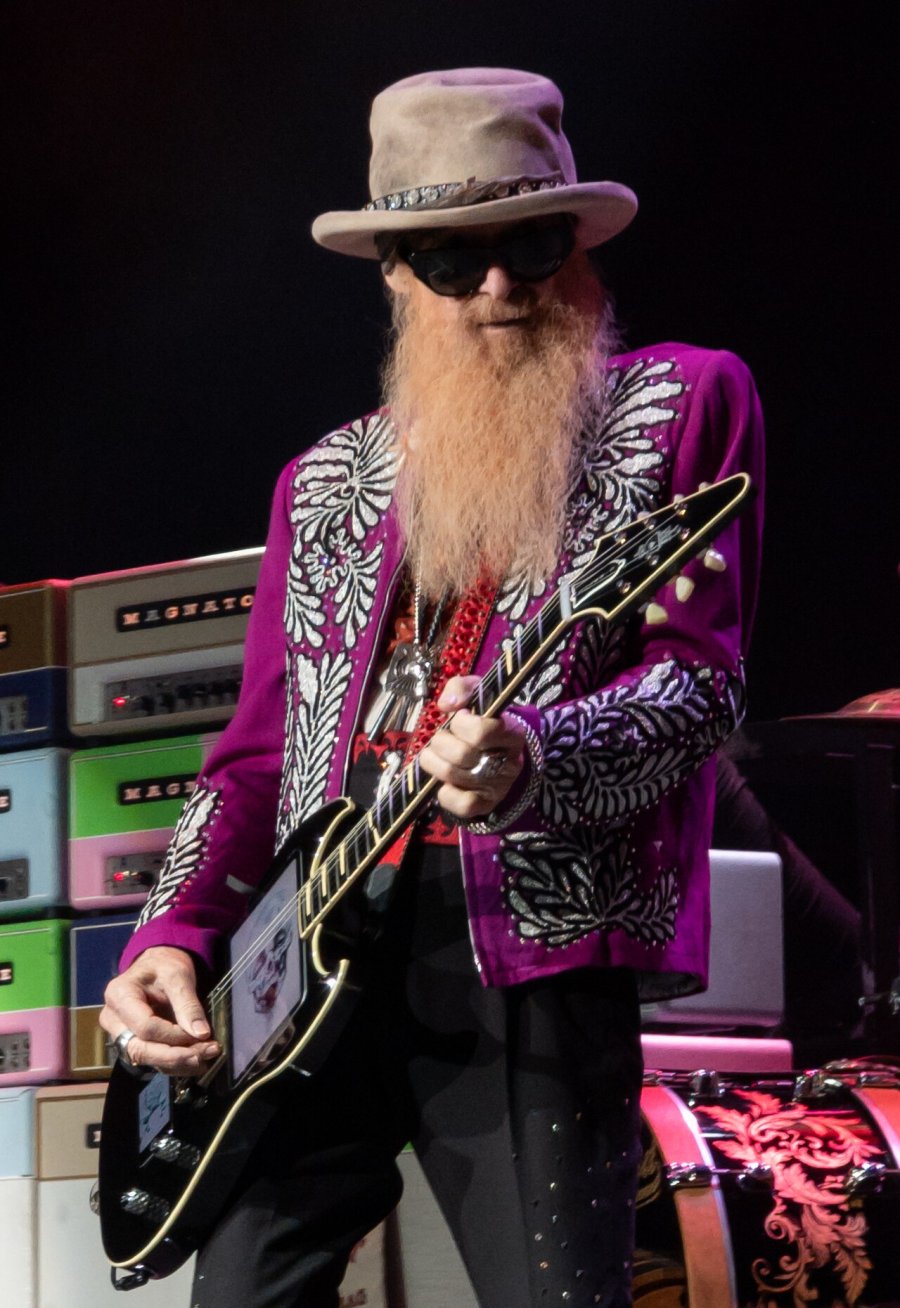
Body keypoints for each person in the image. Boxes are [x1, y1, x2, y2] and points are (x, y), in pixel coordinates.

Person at [100, 67, 765, 1308]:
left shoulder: (678, 402)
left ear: (576, 245)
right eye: (455, 261)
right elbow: (256, 758)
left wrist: (533, 756)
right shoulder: (324, 482)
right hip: (304, 963)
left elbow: (697, 688)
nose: (501, 286)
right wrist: (171, 932)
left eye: (532, 244)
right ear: (397, 275)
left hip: (531, 947)